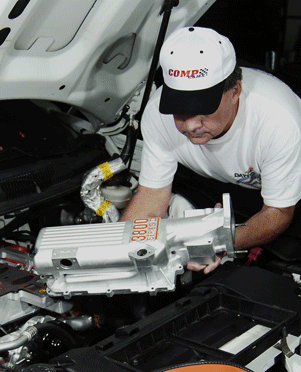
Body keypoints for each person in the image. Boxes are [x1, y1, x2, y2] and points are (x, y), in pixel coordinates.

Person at [120, 26, 301, 273]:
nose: (191, 125)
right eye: (180, 109)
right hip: (222, 181)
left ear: (235, 91)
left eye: (202, 108)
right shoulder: (156, 114)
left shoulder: (278, 122)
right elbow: (151, 198)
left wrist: (215, 242)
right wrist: (117, 253)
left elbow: (278, 212)